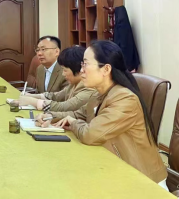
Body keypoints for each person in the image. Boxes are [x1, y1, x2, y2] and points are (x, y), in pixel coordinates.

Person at [36, 40, 167, 185]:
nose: (81, 70)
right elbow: (80, 114)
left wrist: (72, 122)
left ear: (106, 69)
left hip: (142, 180)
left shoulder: (125, 99)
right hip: (114, 168)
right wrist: (51, 116)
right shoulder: (99, 93)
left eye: (85, 64)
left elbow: (90, 134)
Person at [11, 46, 95, 112]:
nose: (63, 74)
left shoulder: (88, 87)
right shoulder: (73, 84)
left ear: (78, 69)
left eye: (65, 70)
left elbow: (65, 107)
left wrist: (34, 102)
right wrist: (32, 96)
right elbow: (55, 96)